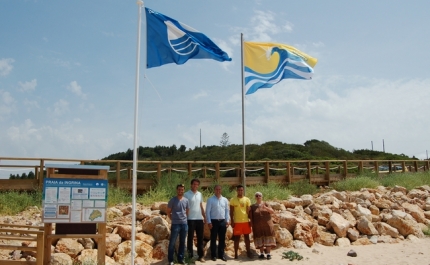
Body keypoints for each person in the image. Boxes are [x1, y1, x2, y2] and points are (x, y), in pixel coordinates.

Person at [184, 178, 206, 262]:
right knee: (190, 238)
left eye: (197, 184)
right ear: (191, 185)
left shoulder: (200, 194)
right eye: (194, 184)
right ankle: (190, 256)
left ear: (198, 185)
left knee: (200, 238)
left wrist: (204, 217)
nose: (195, 186)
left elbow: (201, 206)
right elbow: (185, 207)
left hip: (199, 219)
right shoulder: (186, 194)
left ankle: (201, 256)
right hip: (190, 219)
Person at [205, 185, 230, 262]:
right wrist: (209, 222)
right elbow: (207, 212)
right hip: (214, 221)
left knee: (222, 239)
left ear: (221, 190)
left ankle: (221, 255)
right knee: (213, 239)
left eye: (219, 189)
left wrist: (227, 220)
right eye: (216, 189)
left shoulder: (225, 200)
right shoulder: (210, 200)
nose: (218, 190)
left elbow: (226, 211)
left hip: (222, 221)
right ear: (214, 190)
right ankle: (213, 255)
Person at [166, 184, 189, 265]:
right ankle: (171, 260)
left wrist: (184, 218)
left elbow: (187, 211)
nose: (180, 191)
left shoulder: (186, 200)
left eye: (182, 189)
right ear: (177, 190)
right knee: (172, 242)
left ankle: (181, 259)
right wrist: (173, 218)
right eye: (179, 189)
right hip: (175, 224)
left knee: (182, 242)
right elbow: (168, 211)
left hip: (184, 224)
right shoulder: (173, 200)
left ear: (184, 190)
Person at [249, 191, 276, 260]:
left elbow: (272, 212)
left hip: (267, 225)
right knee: (259, 238)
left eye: (259, 196)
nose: (258, 197)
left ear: (262, 197)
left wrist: (265, 208)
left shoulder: (266, 204)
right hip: (257, 226)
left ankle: (268, 254)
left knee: (268, 238)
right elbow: (249, 215)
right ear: (255, 197)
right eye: (257, 196)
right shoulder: (253, 207)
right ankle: (261, 253)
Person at [229, 185, 252, 259]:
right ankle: (236, 254)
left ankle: (248, 252)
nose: (240, 191)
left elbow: (249, 212)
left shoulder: (247, 199)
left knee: (247, 238)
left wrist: (250, 220)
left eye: (241, 190)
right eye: (239, 190)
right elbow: (231, 211)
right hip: (237, 222)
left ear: (243, 190)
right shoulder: (233, 200)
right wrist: (232, 221)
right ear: (237, 191)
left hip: (245, 221)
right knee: (237, 238)